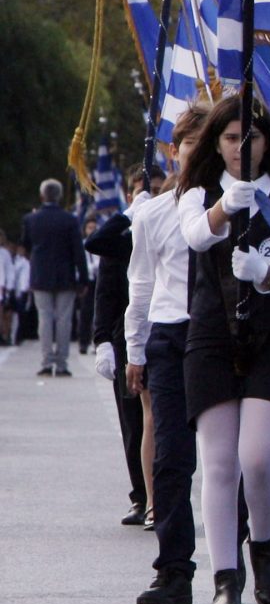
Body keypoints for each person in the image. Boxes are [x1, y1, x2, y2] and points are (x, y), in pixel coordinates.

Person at [174, 93, 270, 604]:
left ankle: (264, 545)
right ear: (216, 142)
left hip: (268, 335)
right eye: (230, 138)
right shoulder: (199, 190)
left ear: (265, 141)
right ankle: (225, 577)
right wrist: (225, 206)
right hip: (211, 334)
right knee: (219, 462)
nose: (240, 148)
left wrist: (266, 274)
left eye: (249, 137)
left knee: (258, 456)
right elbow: (195, 234)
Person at [130, 104, 211, 604]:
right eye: (188, 144)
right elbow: (139, 284)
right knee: (172, 458)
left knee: (232, 461)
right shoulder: (153, 214)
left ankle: (236, 563)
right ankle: (174, 568)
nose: (196, 153)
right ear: (172, 150)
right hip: (168, 335)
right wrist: (133, 348)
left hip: (219, 338)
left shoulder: (231, 208)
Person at [85, 179, 148, 526]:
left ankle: (164, 495)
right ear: (130, 196)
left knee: (165, 424)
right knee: (133, 423)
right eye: (143, 190)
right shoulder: (120, 236)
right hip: (126, 336)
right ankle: (140, 496)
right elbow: (105, 290)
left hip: (164, 331)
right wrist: (102, 341)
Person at [20, 178, 84, 376]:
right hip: (65, 276)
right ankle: (62, 363)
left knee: (44, 319)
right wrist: (83, 277)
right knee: (64, 320)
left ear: (42, 196)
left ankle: (47, 361)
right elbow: (78, 251)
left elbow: (25, 245)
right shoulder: (70, 220)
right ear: (59, 196)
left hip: (40, 275)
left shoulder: (30, 219)